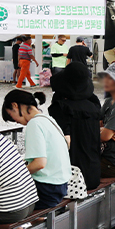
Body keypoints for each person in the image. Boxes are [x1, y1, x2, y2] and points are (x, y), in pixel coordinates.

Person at [2, 90, 71, 209]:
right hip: (61, 186)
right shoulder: (48, 119)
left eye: (10, 115)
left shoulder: (34, 124)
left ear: (15, 105)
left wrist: (16, 174)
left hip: (47, 189)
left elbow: (39, 163)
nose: (15, 121)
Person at [49, 61, 102, 190]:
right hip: (93, 174)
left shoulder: (61, 108)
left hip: (72, 179)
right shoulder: (94, 106)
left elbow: (60, 144)